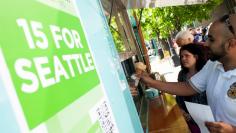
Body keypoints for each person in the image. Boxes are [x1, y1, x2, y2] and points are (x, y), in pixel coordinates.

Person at [140, 14, 236, 133]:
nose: (205, 44)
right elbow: (188, 87)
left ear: (231, 44)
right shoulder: (214, 65)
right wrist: (150, 82)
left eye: (211, 39)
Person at [176, 43, 208, 133]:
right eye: (181, 56)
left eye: (187, 56)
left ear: (196, 57)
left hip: (207, 121)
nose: (183, 59)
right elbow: (179, 95)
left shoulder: (205, 73)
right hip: (189, 120)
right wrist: (181, 111)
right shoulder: (182, 74)